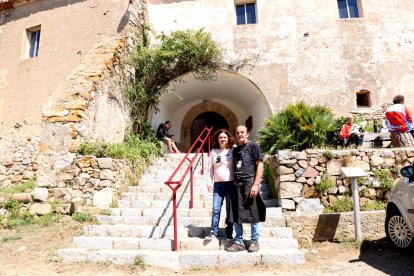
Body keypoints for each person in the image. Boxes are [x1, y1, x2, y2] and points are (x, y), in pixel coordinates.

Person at [226, 125, 266, 253]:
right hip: (237, 184)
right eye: (237, 133)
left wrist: (256, 184)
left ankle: (255, 241)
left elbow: (260, 165)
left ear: (247, 134)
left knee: (253, 212)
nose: (240, 134)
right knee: (236, 213)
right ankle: (239, 242)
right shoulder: (235, 150)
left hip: (250, 183)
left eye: (242, 132)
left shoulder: (254, 146)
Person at [205, 129, 234, 241]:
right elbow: (210, 169)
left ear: (228, 138)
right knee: (216, 209)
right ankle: (213, 232)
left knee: (229, 209)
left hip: (230, 184)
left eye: (224, 137)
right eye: (220, 137)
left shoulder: (232, 149)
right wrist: (209, 182)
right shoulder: (213, 151)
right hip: (217, 185)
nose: (222, 139)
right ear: (217, 139)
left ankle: (229, 233)